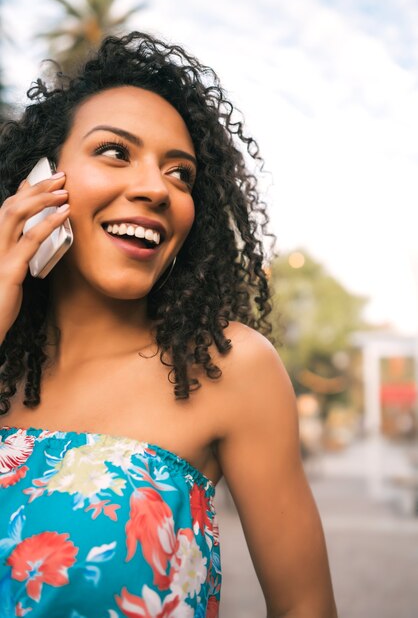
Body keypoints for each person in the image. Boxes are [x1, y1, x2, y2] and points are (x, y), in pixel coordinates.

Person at [0, 31, 337, 617]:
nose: (157, 188)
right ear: (39, 181)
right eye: (114, 152)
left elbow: (305, 608)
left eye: (180, 174)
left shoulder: (230, 367)